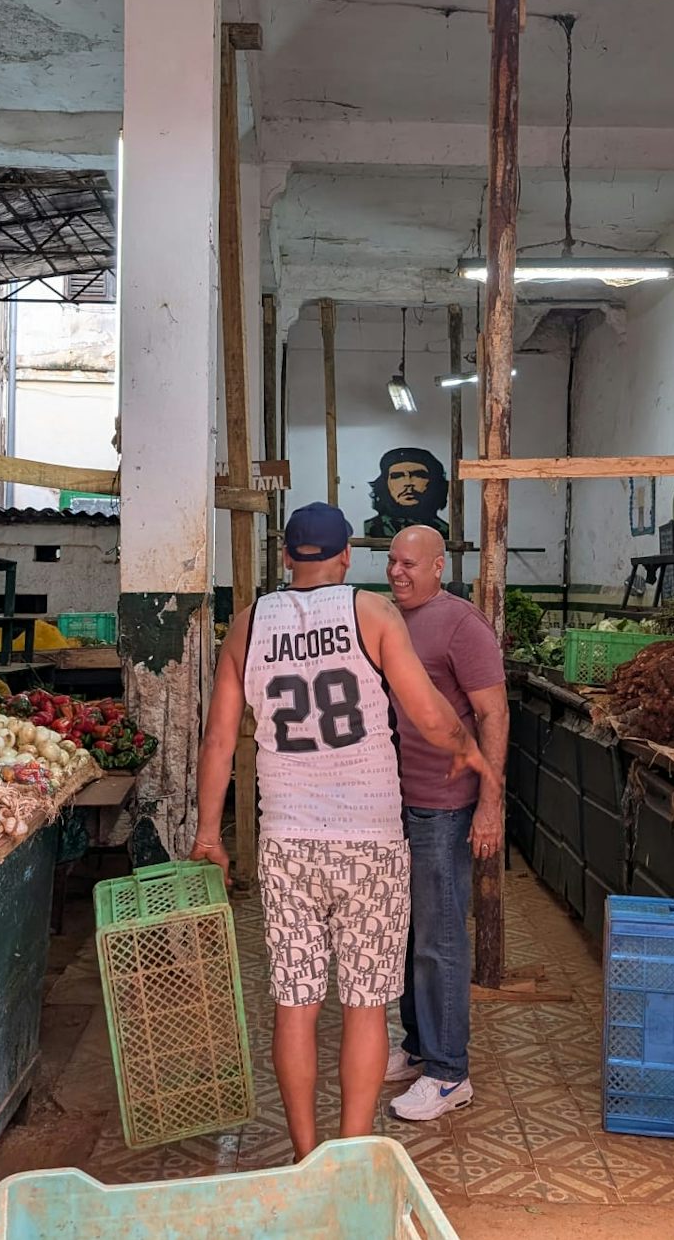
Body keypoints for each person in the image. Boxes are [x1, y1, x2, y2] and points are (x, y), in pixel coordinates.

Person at [191, 502, 489, 1161]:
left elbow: (217, 741)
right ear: (347, 553)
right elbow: (427, 712)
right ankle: (350, 1159)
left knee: (296, 1005)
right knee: (364, 1005)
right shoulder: (373, 612)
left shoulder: (249, 624)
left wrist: (210, 832)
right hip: (370, 840)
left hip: (288, 840)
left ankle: (304, 1154)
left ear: (288, 556)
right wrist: (470, 753)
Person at [381, 524, 507, 1122]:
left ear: (437, 567)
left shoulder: (461, 624)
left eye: (410, 563)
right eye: (391, 561)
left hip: (445, 804)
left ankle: (449, 1072)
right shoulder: (391, 620)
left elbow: (493, 713)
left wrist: (490, 803)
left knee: (441, 939)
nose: (397, 572)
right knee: (408, 933)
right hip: (398, 802)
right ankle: (416, 1045)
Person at [362, 447, 449, 539]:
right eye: (397, 476)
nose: (408, 483)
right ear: (385, 484)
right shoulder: (372, 528)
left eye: (418, 475)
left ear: (433, 482)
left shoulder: (445, 531)